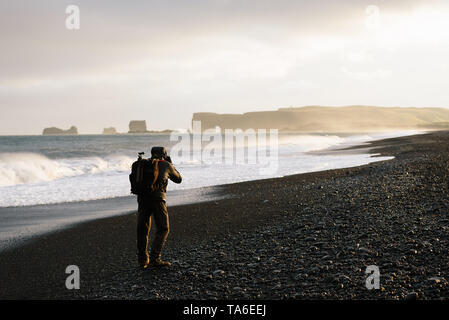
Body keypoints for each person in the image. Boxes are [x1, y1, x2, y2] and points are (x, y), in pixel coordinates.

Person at [136, 146, 182, 269]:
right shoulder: (166, 164)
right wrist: (170, 164)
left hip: (142, 199)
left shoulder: (143, 163)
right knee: (163, 228)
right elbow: (178, 179)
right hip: (158, 199)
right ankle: (155, 259)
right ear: (164, 154)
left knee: (143, 229)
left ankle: (142, 260)